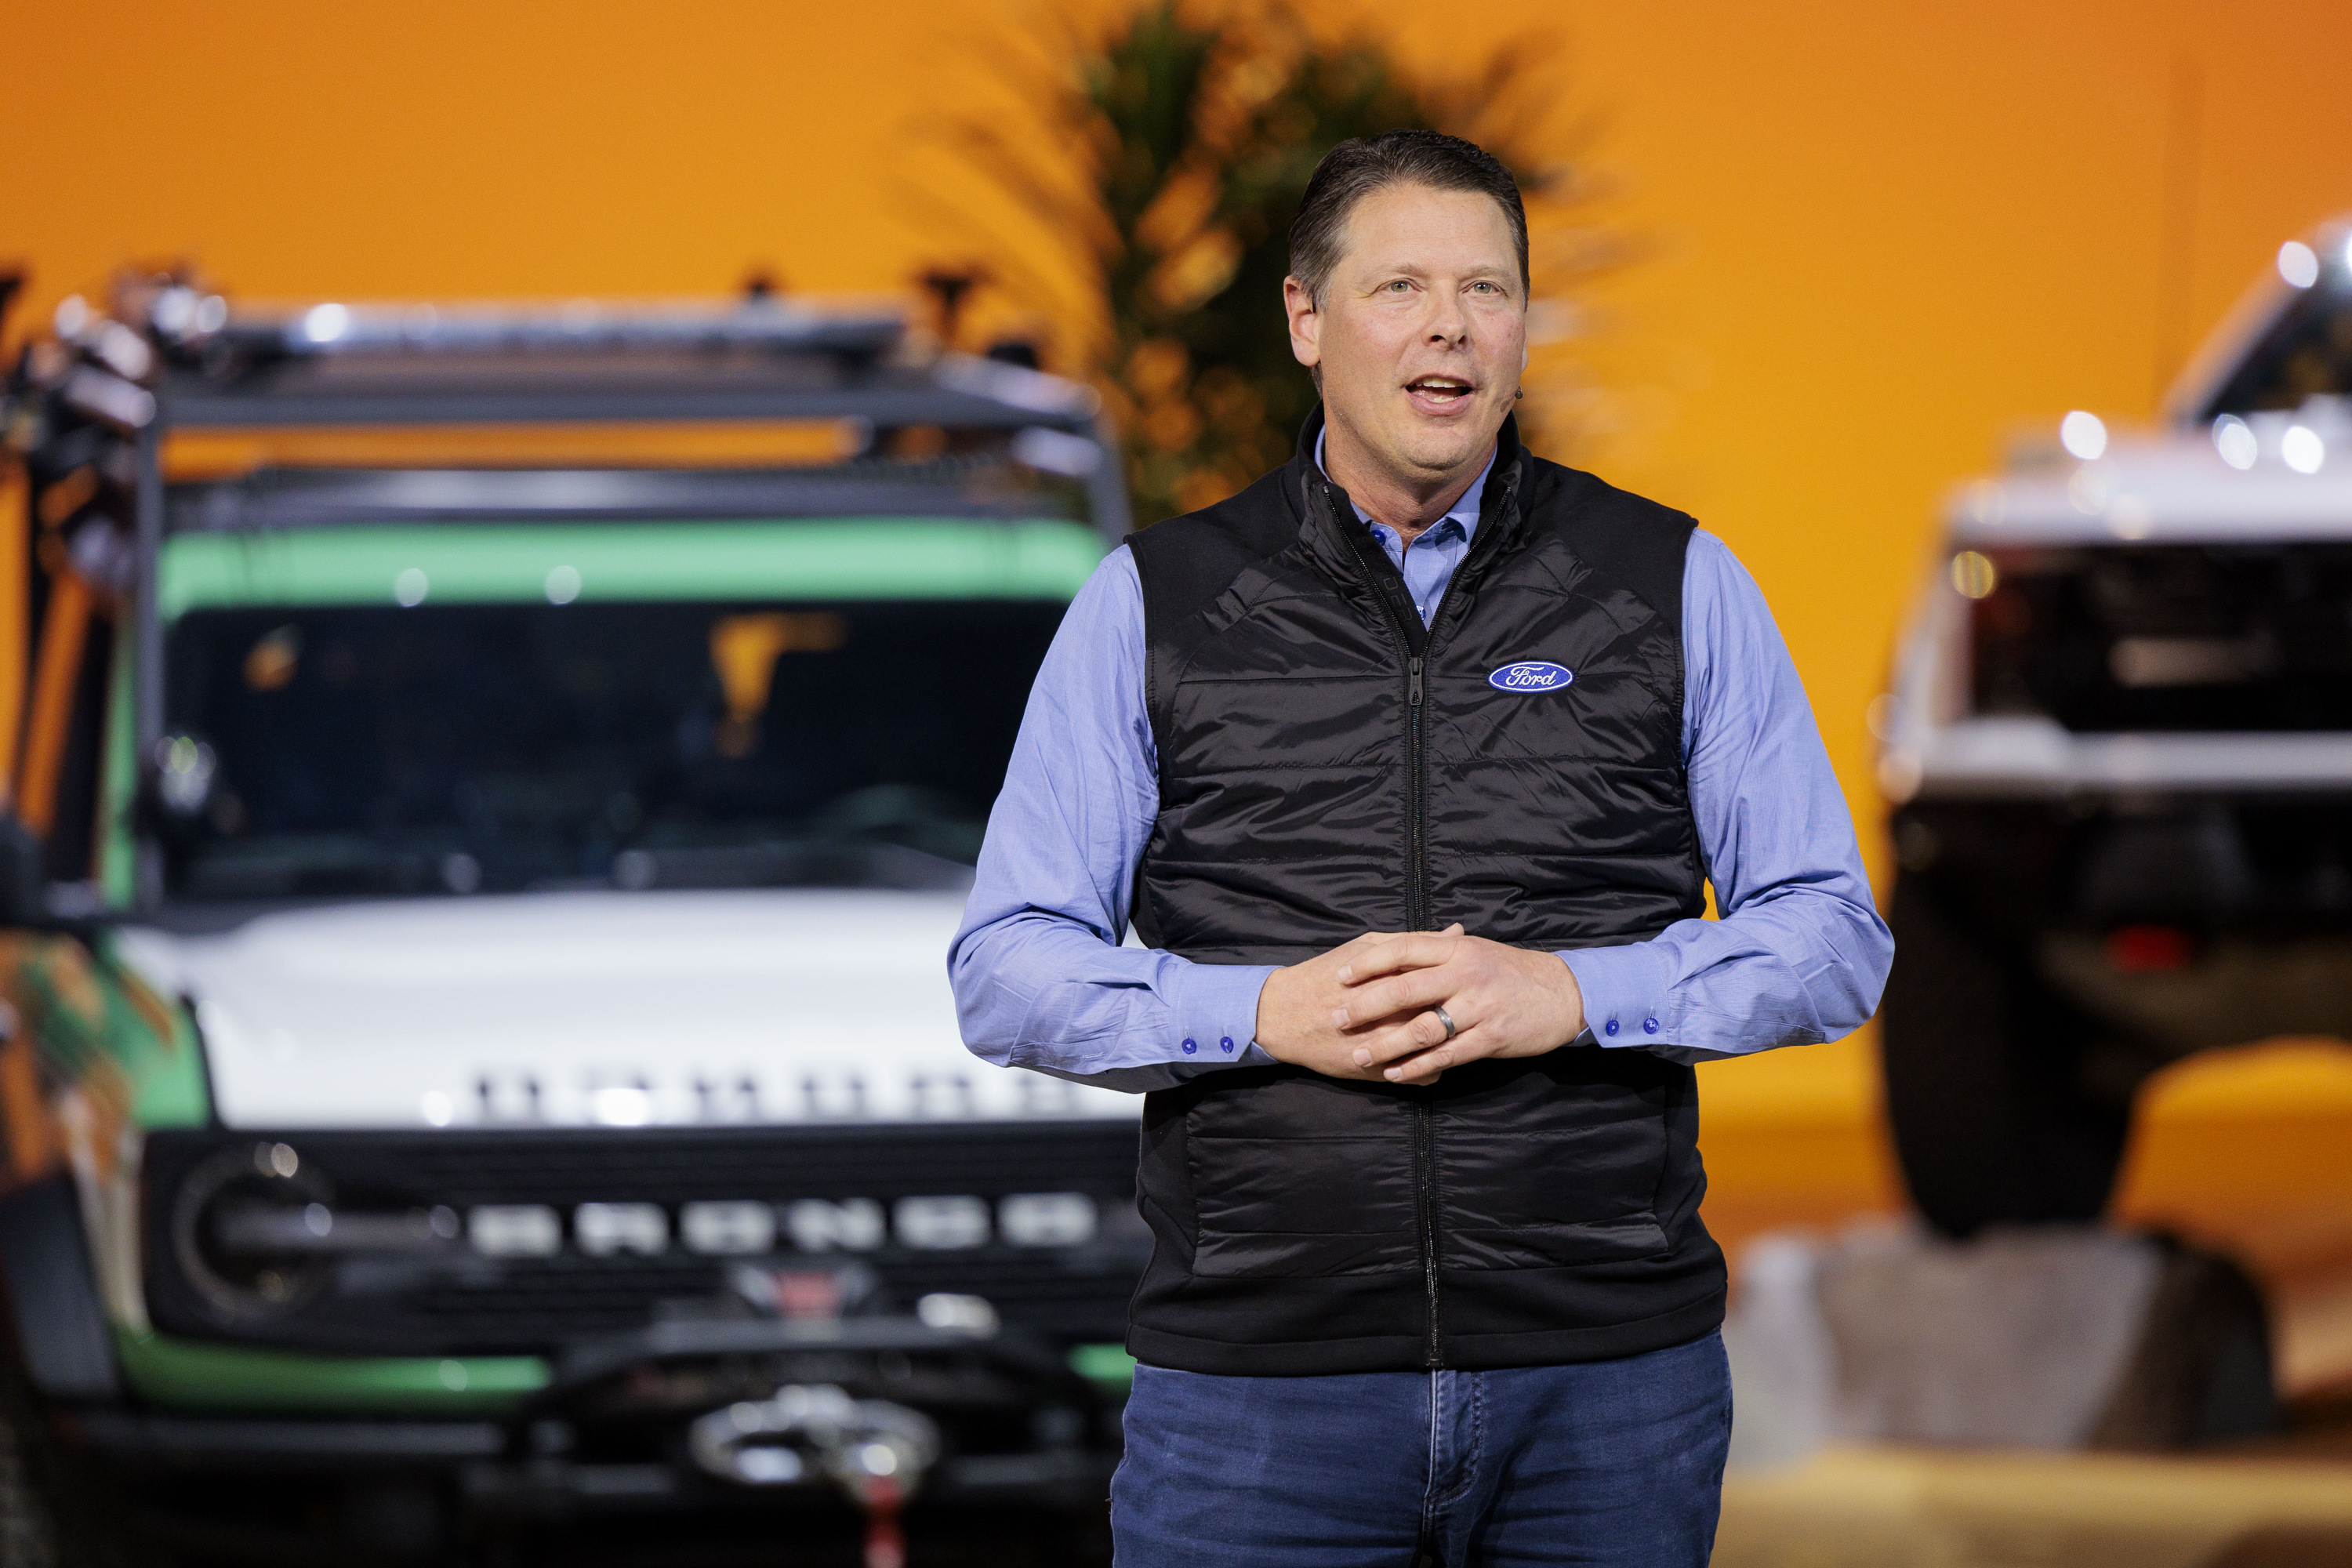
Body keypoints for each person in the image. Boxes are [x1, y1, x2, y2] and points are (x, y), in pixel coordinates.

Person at [949, 129, 1892, 1566]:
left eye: (1488, 289)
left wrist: (1577, 994)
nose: (1450, 323)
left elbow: (1831, 936)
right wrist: (1261, 1013)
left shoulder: (1673, 581)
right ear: (1307, 321)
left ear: (1521, 330)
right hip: (1255, 1407)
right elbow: (1007, 972)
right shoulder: (1153, 604)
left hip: (1606, 1395)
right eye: (1400, 286)